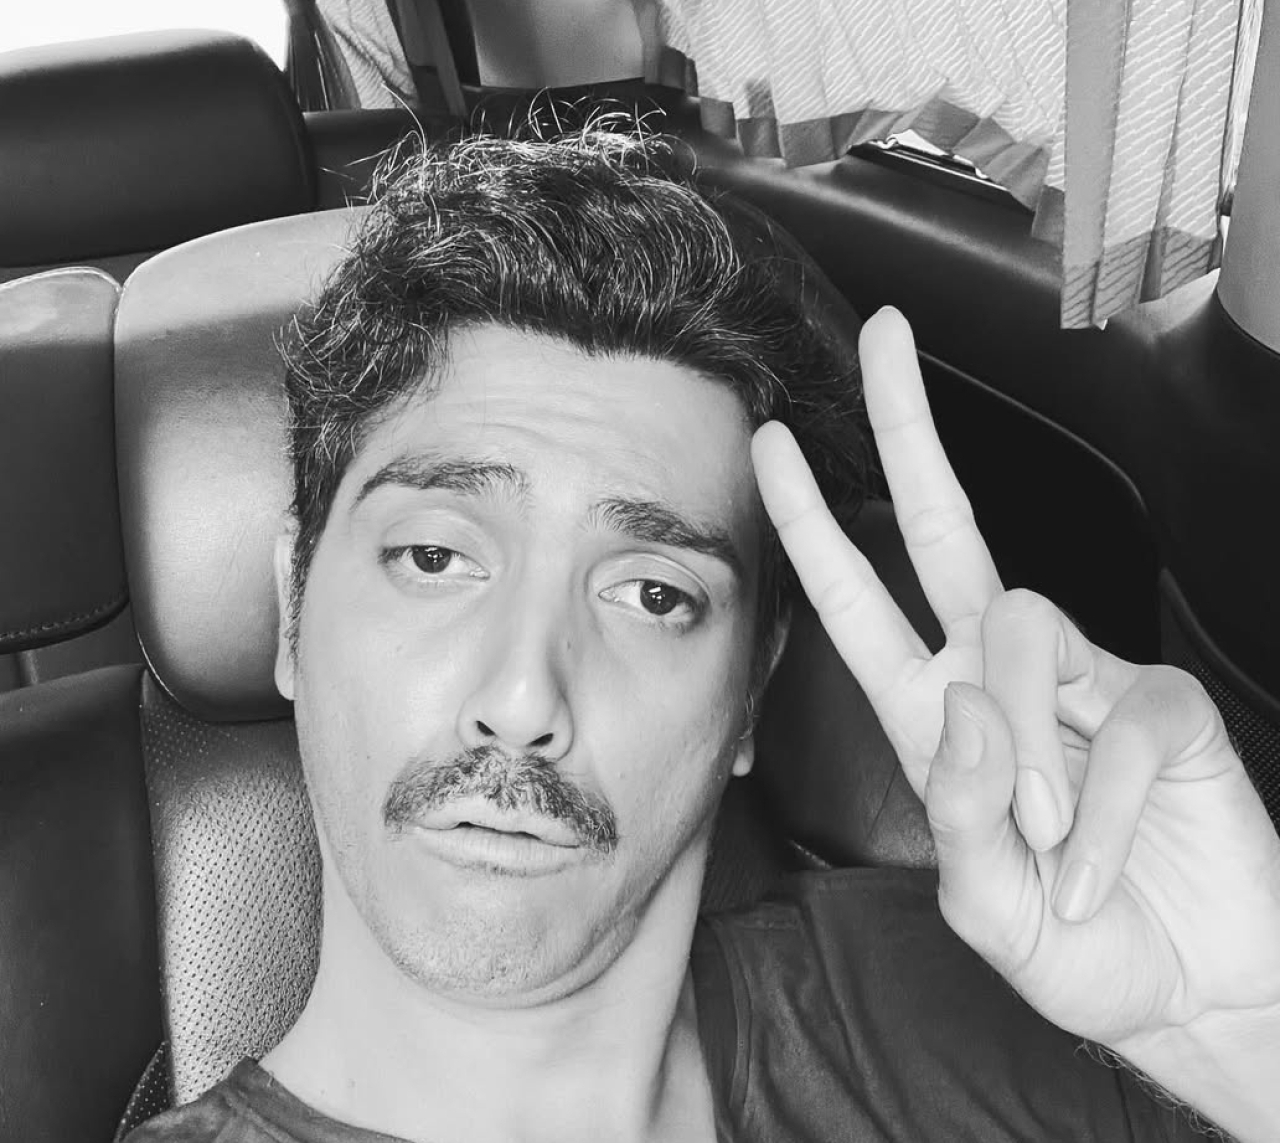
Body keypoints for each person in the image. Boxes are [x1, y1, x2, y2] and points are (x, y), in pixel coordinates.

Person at [127, 128, 1280, 1143]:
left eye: (650, 593)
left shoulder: (967, 1005)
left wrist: (1238, 1035)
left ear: (748, 691)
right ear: (292, 609)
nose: (522, 699)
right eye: (434, 559)